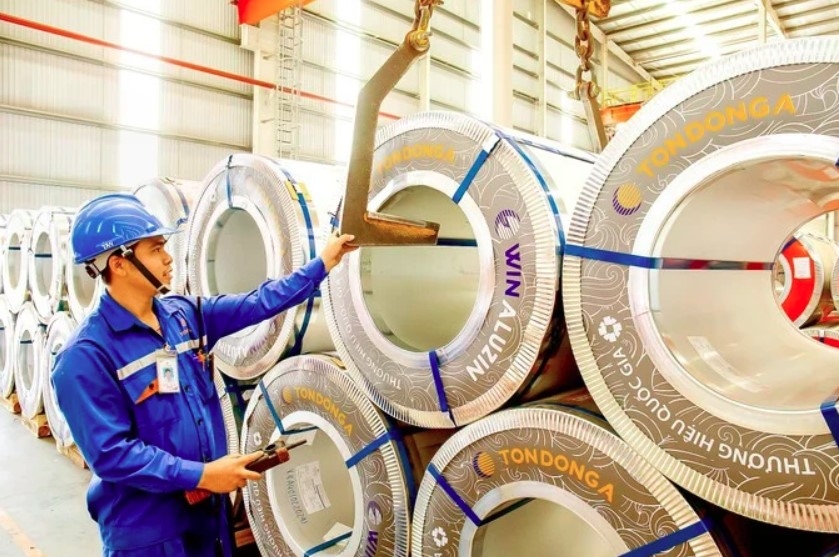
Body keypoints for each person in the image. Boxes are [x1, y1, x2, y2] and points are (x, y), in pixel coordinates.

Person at [51, 193, 357, 557]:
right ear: (119, 264)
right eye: (155, 248)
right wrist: (201, 475)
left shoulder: (181, 317)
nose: (167, 257)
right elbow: (112, 455)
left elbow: (258, 303)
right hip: (148, 533)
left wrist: (323, 263)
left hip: (208, 516)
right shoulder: (85, 357)